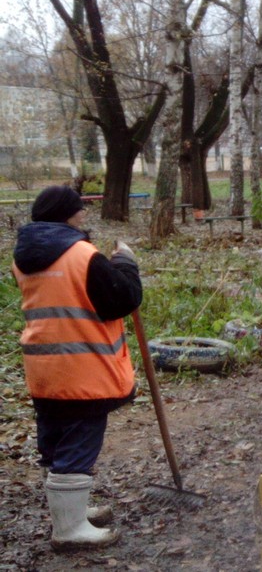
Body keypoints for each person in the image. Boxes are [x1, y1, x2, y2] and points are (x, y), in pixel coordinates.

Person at [13, 185, 142, 550]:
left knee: (56, 444)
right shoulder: (82, 255)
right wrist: (126, 264)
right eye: (79, 210)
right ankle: (69, 531)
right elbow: (122, 299)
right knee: (78, 445)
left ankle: (73, 512)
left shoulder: (23, 257)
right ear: (67, 214)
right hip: (84, 370)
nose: (84, 215)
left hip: (44, 369)